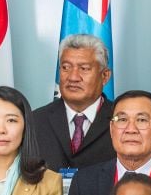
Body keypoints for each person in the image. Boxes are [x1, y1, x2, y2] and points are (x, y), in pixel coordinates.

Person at [29, 33, 117, 173]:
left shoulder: (121, 120)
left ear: (105, 76)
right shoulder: (35, 121)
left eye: (84, 68)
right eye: (66, 67)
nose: (73, 77)